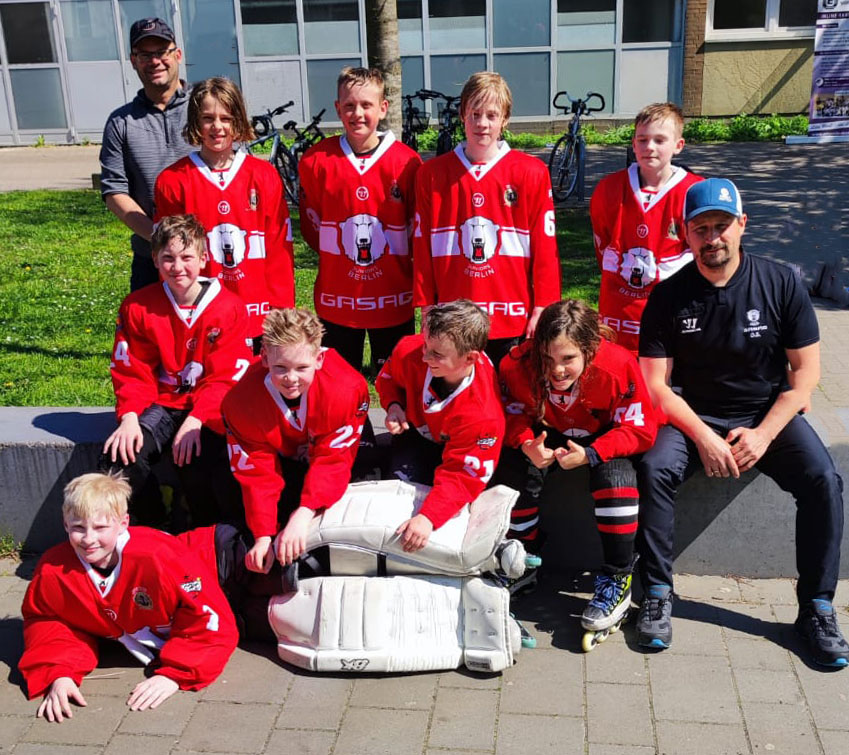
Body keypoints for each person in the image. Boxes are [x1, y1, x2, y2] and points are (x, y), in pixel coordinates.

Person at [636, 178, 847, 668]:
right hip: (694, 415)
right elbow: (656, 387)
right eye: (701, 228)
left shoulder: (780, 283)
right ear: (684, 235)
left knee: (822, 479)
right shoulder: (667, 297)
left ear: (742, 225)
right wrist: (705, 437)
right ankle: (657, 594)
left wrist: (764, 433)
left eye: (722, 226)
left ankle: (816, 606)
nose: (713, 237)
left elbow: (806, 376)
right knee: (653, 469)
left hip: (764, 414)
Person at [19, 472, 239, 722]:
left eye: (100, 527)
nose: (89, 539)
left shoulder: (155, 556)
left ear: (124, 523)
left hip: (226, 563)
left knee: (284, 611)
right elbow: (49, 621)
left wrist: (176, 673)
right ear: (65, 523)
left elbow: (210, 617)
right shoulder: (53, 569)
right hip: (198, 601)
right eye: (78, 527)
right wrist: (59, 672)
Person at [495, 299, 656, 625]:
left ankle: (617, 576)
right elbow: (505, 414)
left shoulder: (618, 365)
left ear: (590, 349)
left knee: (616, 479)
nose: (556, 369)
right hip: (545, 434)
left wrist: (593, 453)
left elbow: (640, 429)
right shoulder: (516, 364)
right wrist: (526, 442)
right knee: (510, 466)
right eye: (547, 358)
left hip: (602, 438)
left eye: (568, 358)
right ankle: (522, 559)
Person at [101, 214, 251, 528]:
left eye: (186, 257)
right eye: (168, 258)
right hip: (163, 404)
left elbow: (227, 376)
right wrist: (129, 416)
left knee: (206, 465)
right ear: (154, 259)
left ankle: (211, 535)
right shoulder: (138, 306)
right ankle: (154, 523)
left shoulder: (229, 307)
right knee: (119, 459)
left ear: (204, 258)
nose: (178, 267)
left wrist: (198, 418)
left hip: (210, 406)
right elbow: (132, 370)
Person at [413, 72, 560, 368]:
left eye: (492, 115)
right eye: (475, 114)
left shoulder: (530, 172)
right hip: (454, 321)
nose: (482, 123)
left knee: (513, 404)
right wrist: (427, 308)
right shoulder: (432, 174)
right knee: (459, 404)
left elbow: (546, 248)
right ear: (462, 114)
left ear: (505, 119)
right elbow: (422, 249)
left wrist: (542, 306)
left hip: (511, 317)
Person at [222, 308, 370, 573]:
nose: (291, 379)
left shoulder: (346, 388)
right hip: (284, 453)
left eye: (302, 368)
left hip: (331, 450)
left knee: (359, 491)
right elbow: (256, 471)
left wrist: (304, 513)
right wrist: (262, 534)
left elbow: (333, 460)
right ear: (264, 357)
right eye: (281, 368)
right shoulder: (241, 401)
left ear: (320, 358)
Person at [299, 66, 422, 375]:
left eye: (366, 105)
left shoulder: (408, 162)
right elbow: (312, 229)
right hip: (336, 301)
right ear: (338, 108)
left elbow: (416, 231)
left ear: (382, 108)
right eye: (350, 105)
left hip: (393, 300)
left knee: (400, 386)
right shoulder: (315, 162)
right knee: (336, 387)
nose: (358, 113)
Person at [154, 77, 294, 349]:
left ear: (239, 121)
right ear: (196, 122)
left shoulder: (263, 175)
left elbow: (279, 251)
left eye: (226, 118)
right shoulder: (173, 181)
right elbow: (170, 258)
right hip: (202, 312)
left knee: (255, 389)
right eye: (208, 118)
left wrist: (281, 312)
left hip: (257, 315)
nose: (217, 127)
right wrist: (180, 308)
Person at [375, 299, 505, 552]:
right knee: (398, 499)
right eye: (425, 345)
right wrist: (393, 405)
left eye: (436, 354)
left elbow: (464, 474)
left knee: (441, 520)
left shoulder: (484, 413)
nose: (424, 356)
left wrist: (429, 518)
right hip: (418, 434)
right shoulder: (411, 350)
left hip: (464, 447)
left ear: (470, 358)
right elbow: (389, 379)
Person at [590, 102, 702, 355]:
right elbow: (602, 245)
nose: (649, 147)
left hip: (671, 307)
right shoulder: (608, 189)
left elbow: (701, 255)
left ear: (678, 145)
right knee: (620, 377)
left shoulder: (694, 191)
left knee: (668, 380)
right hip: (619, 309)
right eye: (642, 139)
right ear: (633, 144)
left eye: (659, 140)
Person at [100, 17, 193, 292]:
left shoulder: (205, 108)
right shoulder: (121, 122)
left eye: (162, 52)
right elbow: (114, 192)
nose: (154, 61)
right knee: (151, 333)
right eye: (144, 54)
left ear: (177, 54)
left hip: (209, 253)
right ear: (133, 60)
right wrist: (159, 237)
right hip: (150, 257)